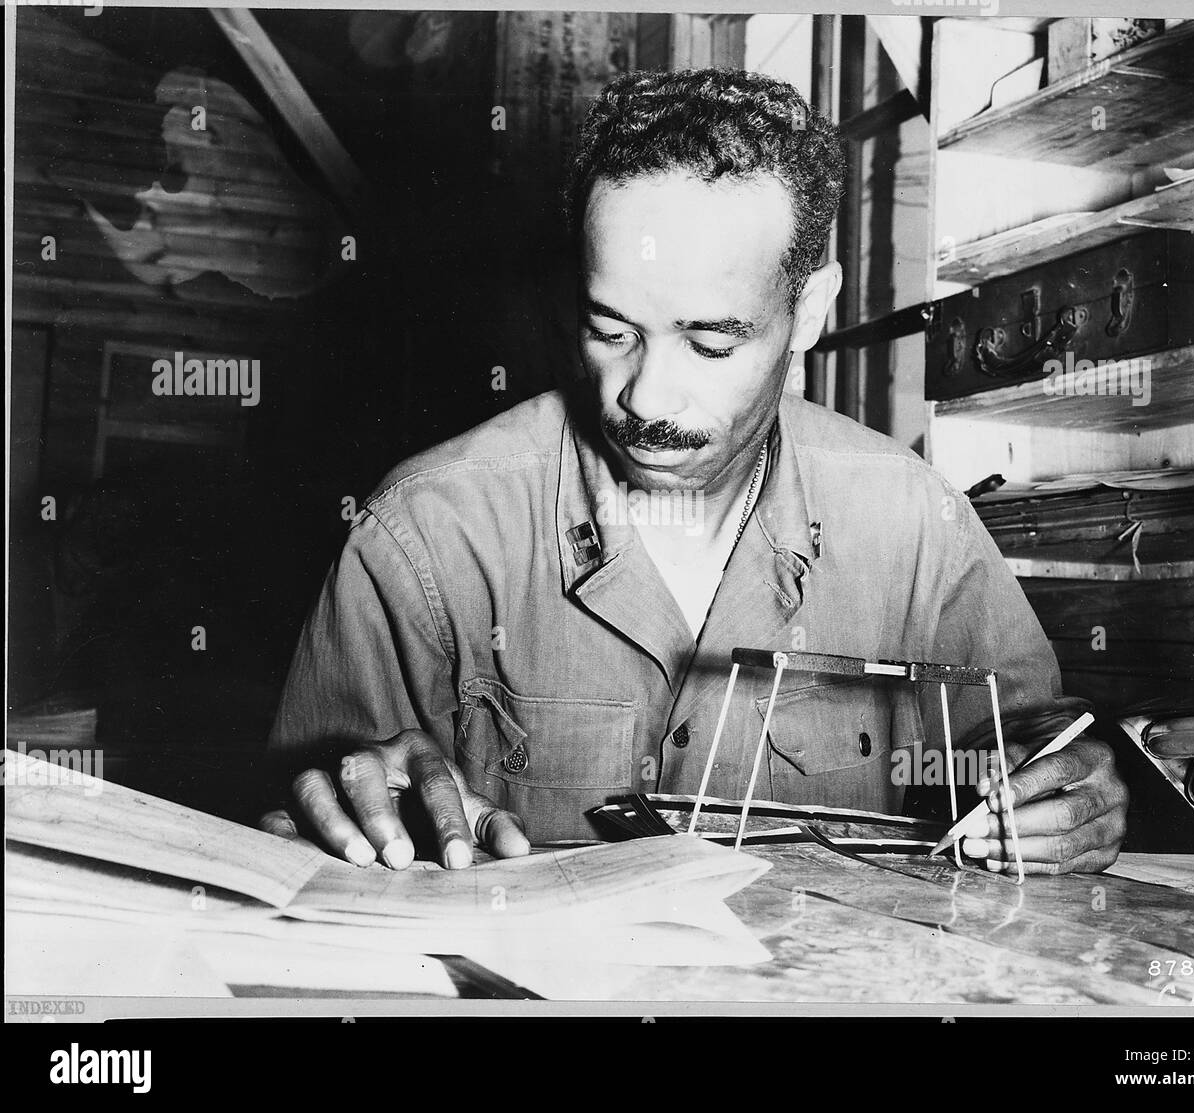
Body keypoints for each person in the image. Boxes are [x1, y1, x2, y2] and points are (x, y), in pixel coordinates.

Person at [261, 69, 1127, 876]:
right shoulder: (426, 534)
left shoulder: (913, 523)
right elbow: (292, 844)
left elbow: (1024, 748)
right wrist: (346, 811)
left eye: (711, 341)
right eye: (613, 330)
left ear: (811, 311)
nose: (645, 395)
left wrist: (1070, 792)